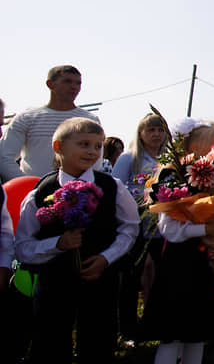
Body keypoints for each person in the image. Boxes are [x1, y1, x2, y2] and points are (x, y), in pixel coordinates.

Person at [14, 117, 140, 363]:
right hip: (54, 284)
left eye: (97, 145)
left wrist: (106, 258)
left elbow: (130, 229)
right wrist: (57, 244)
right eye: (84, 144)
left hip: (100, 281)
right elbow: (23, 247)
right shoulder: (39, 193)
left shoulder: (112, 187)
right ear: (58, 147)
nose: (92, 152)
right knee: (50, 341)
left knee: (98, 341)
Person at [143, 119, 214, 364]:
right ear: (194, 146)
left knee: (197, 335)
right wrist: (205, 229)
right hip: (179, 265)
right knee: (174, 335)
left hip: (204, 263)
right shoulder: (174, 175)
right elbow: (169, 228)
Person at [112, 113, 170, 342]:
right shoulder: (130, 158)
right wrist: (141, 196)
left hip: (160, 227)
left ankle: (154, 322)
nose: (156, 134)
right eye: (151, 130)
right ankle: (127, 327)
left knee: (158, 275)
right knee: (132, 276)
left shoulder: (169, 157)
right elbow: (116, 186)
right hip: (135, 225)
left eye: (160, 130)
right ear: (141, 133)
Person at [0, 65, 100, 181]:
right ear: (50, 84)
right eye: (67, 81)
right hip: (33, 192)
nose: (74, 87)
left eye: (78, 83)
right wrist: (27, 185)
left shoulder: (90, 119)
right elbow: (4, 156)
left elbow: (96, 162)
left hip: (75, 194)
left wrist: (78, 186)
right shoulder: (26, 117)